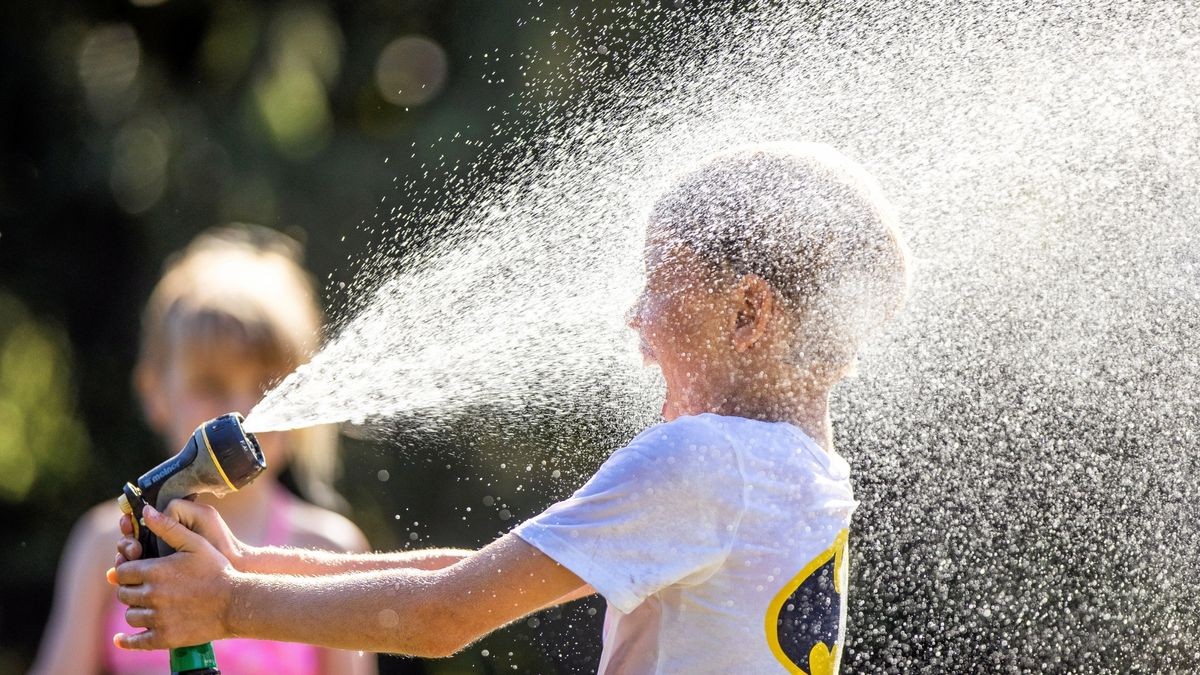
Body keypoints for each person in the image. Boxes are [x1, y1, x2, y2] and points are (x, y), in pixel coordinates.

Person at [110, 143, 909, 674]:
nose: (636, 315)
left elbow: (445, 614)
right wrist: (245, 565)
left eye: (662, 283)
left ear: (748, 313)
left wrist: (224, 603)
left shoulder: (708, 461)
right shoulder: (797, 474)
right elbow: (471, 575)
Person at [33, 226, 375, 675]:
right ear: (154, 392)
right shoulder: (105, 545)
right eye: (210, 385)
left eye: (266, 385)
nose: (242, 409)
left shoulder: (330, 551)